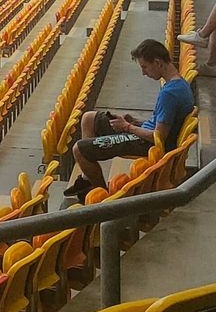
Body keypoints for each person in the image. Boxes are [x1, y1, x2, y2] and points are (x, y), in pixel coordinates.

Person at [67, 40, 194, 202]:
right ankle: (87, 180)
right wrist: (135, 122)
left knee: (79, 150)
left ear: (157, 62)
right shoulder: (180, 84)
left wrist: (127, 127)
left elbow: (159, 137)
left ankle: (101, 197)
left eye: (144, 67)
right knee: (88, 119)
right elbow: (163, 122)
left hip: (147, 143)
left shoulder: (169, 94)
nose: (143, 73)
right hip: (147, 134)